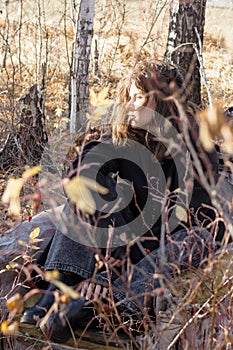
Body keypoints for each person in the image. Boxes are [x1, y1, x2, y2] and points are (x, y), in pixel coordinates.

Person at [19, 59, 225, 344]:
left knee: (197, 238)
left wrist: (109, 275)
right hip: (117, 246)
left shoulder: (197, 150)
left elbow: (182, 222)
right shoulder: (127, 135)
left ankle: (111, 308)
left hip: (161, 247)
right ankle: (62, 289)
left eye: (138, 97)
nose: (129, 105)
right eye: (127, 97)